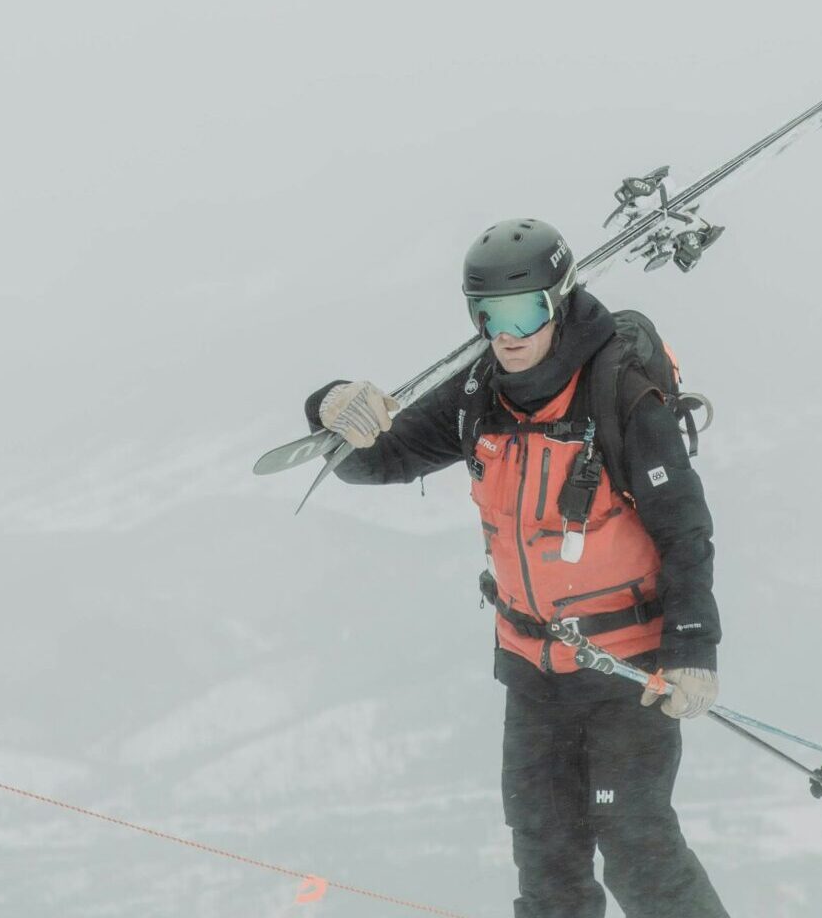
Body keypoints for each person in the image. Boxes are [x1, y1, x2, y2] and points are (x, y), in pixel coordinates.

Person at [303, 218, 730, 918]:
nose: (508, 331)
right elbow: (375, 459)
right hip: (533, 674)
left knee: (638, 851)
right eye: (488, 313)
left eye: (526, 308)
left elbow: (686, 529)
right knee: (547, 864)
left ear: (559, 300)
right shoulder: (479, 394)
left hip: (629, 671)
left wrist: (693, 650)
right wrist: (331, 406)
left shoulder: (619, 392)